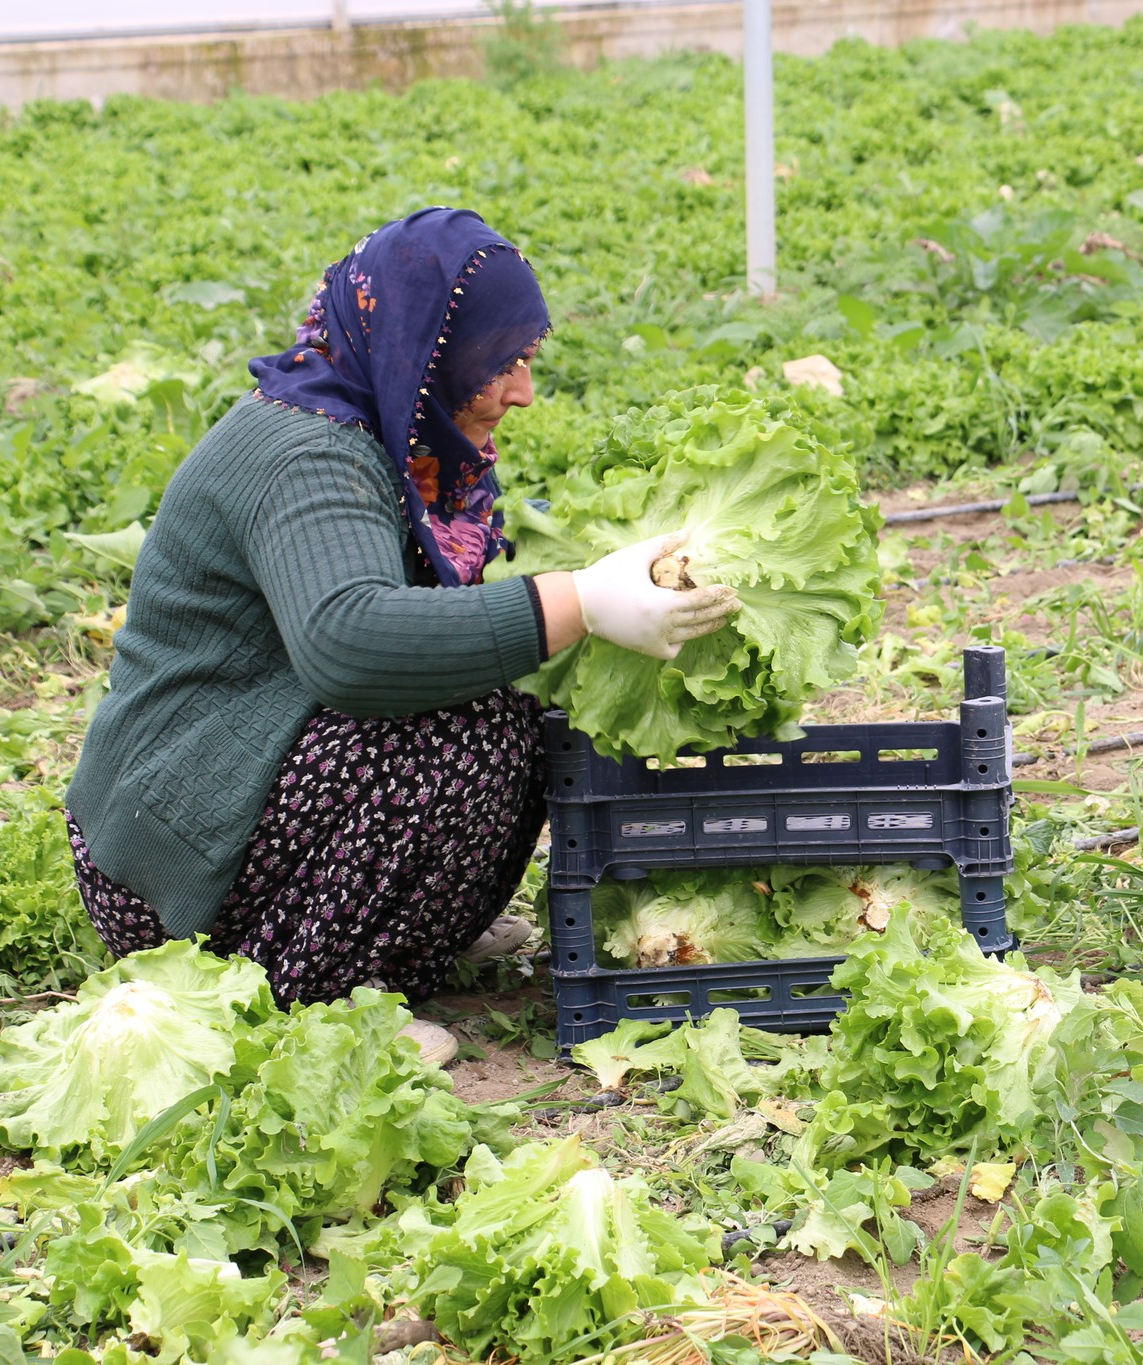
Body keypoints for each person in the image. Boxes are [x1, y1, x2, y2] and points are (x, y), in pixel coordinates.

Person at [64, 208, 737, 1060]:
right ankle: (311, 1003)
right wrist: (578, 600)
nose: (522, 390)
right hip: (170, 868)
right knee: (467, 724)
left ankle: (392, 949)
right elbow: (352, 643)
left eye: (526, 359)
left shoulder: (386, 435)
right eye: (503, 362)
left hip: (241, 794)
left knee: (508, 691)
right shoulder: (307, 453)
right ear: (428, 348)